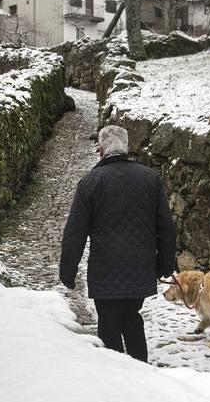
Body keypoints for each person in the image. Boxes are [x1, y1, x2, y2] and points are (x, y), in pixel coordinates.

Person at [59, 124, 176, 362]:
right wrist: (165, 263)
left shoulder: (90, 182)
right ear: (126, 148)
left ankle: (114, 379)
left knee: (109, 323)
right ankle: (142, 372)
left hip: (105, 271)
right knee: (132, 317)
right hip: (140, 269)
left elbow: (75, 232)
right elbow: (165, 226)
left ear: (101, 150)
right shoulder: (150, 179)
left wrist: (67, 271)